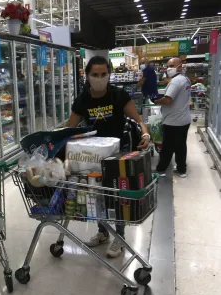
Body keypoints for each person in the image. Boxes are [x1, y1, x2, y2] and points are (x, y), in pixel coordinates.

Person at [65, 56, 150, 258]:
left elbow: (138, 120)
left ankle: (119, 237)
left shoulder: (118, 96)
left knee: (117, 196)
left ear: (109, 74)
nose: (100, 78)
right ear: (87, 75)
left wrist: (145, 133)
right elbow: (69, 127)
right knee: (97, 194)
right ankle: (103, 232)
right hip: (93, 154)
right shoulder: (83, 100)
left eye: (104, 74)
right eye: (95, 74)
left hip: (119, 153)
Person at [154, 57, 191, 178]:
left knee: (167, 147)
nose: (169, 68)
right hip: (184, 119)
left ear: (179, 66)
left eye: (171, 66)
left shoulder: (175, 81)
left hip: (173, 121)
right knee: (181, 145)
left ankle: (160, 169)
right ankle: (181, 169)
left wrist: (156, 100)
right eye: (168, 65)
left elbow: (168, 100)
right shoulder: (185, 79)